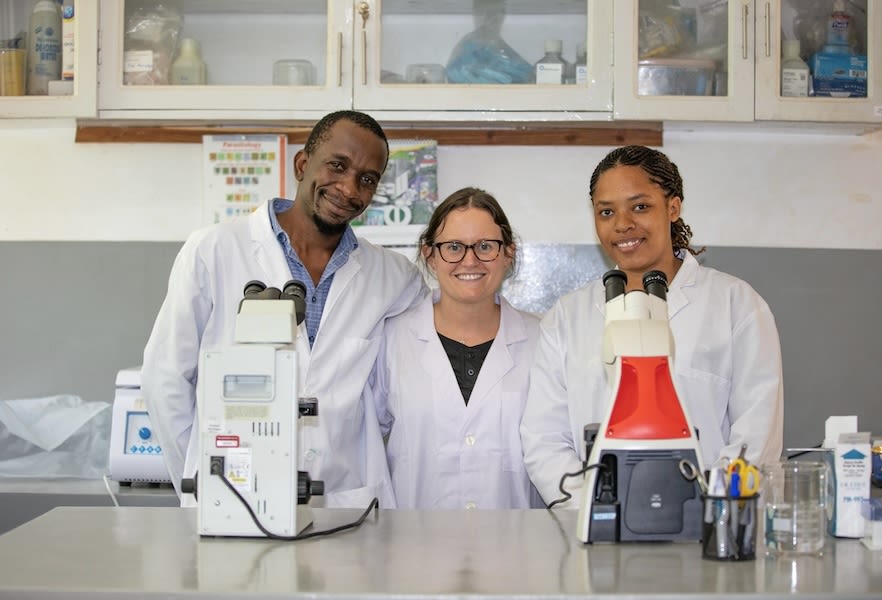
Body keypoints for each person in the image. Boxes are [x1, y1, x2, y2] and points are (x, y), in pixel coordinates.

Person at [142, 110, 428, 508]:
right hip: (234, 493)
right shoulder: (214, 251)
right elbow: (165, 378)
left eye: (367, 179)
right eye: (337, 165)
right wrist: (199, 483)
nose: (348, 189)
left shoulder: (396, 278)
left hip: (344, 500)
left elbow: (397, 390)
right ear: (302, 164)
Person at [520, 145, 784, 507]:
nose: (623, 223)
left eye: (640, 206)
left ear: (672, 208)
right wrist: (591, 509)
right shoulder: (567, 317)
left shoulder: (736, 304)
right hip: (597, 525)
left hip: (707, 524)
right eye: (606, 211)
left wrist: (708, 509)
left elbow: (757, 431)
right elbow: (544, 438)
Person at [367, 187, 542, 509]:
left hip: (517, 544)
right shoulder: (391, 339)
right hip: (415, 543)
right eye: (454, 247)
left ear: (508, 253)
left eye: (486, 246)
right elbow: (363, 442)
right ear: (430, 255)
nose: (470, 260)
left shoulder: (543, 340)